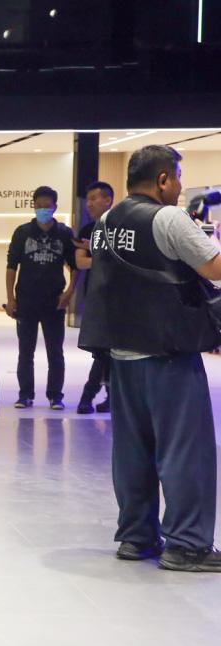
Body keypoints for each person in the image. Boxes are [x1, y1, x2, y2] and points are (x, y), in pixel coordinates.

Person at [79, 145, 221, 571]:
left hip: (122, 355)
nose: (179, 186)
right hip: (168, 355)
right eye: (177, 177)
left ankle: (136, 537)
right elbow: (214, 268)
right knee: (185, 450)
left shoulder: (106, 222)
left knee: (132, 451)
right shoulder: (168, 219)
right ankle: (187, 545)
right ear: (162, 179)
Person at [5, 186, 78, 410]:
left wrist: (69, 293)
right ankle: (25, 395)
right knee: (25, 351)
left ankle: (55, 396)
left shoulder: (64, 234)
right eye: (39, 206)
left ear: (55, 207)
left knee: (55, 352)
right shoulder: (22, 233)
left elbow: (75, 266)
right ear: (33, 206)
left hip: (54, 301)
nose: (43, 210)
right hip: (26, 300)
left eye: (47, 206)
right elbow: (11, 266)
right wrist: (10, 298)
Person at [73, 181, 116, 414]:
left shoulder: (120, 227)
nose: (89, 204)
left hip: (118, 300)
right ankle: (95, 397)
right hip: (96, 298)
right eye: (87, 199)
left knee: (107, 353)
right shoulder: (87, 230)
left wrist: (96, 253)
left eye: (93, 199)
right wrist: (104, 257)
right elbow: (80, 262)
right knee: (102, 352)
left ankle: (92, 397)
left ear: (107, 200)